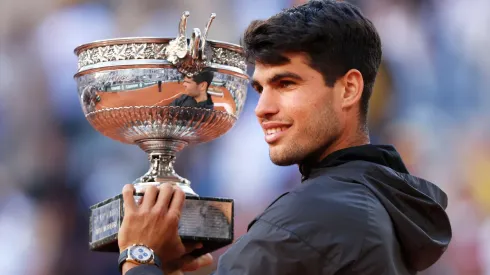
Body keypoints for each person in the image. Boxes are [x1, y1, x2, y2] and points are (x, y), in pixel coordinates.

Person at [117, 1, 452, 274]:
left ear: (349, 89)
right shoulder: (378, 201)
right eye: (260, 88)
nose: (262, 109)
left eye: (286, 83)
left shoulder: (314, 214)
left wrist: (139, 256)